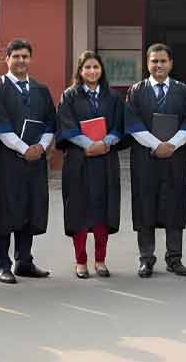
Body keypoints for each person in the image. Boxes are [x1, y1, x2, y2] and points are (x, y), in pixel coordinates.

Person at [0, 39, 56, 283]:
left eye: (25, 56)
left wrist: (40, 146)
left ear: (30, 59)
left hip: (34, 161)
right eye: (15, 56)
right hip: (7, 162)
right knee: (5, 210)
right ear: (6, 59)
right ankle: (1, 263)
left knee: (30, 208)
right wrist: (24, 148)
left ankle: (24, 261)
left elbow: (50, 123)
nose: (20, 61)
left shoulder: (41, 90)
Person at [125, 43, 186, 278]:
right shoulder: (136, 91)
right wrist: (157, 145)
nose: (158, 65)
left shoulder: (183, 91)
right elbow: (132, 123)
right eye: (154, 61)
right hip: (145, 157)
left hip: (175, 156)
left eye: (163, 61)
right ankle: (146, 259)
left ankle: (175, 258)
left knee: (175, 204)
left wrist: (171, 145)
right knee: (145, 205)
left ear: (171, 63)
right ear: (147, 63)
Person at [56, 51, 123, 278]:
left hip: (105, 161)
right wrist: (89, 144)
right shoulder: (70, 96)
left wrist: (105, 142)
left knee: (103, 210)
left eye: (96, 67)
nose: (92, 71)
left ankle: (101, 260)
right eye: (87, 67)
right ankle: (81, 261)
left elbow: (119, 126)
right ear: (80, 71)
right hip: (79, 161)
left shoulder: (112, 97)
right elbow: (67, 126)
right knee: (79, 209)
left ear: (101, 70)